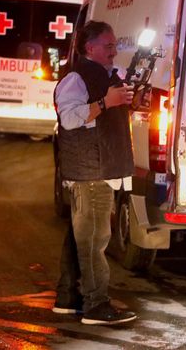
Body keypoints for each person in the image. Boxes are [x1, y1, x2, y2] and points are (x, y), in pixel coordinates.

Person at [52, 21, 137, 325]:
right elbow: (71, 118)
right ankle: (96, 305)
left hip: (99, 168)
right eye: (108, 45)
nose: (114, 51)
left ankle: (68, 297)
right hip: (91, 171)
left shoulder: (106, 75)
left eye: (115, 45)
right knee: (94, 239)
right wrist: (105, 102)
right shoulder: (75, 77)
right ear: (90, 48)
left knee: (81, 237)